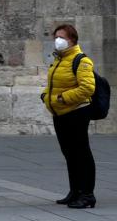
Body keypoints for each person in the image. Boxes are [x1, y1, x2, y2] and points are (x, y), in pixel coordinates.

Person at [41, 24, 97, 209]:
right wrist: (45, 95)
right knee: (70, 154)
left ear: (72, 39)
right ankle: (75, 191)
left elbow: (87, 88)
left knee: (82, 153)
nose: (58, 40)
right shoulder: (58, 59)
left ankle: (87, 195)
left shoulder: (81, 60)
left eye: (62, 37)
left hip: (77, 113)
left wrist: (61, 98)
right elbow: (55, 82)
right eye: (56, 36)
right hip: (60, 113)